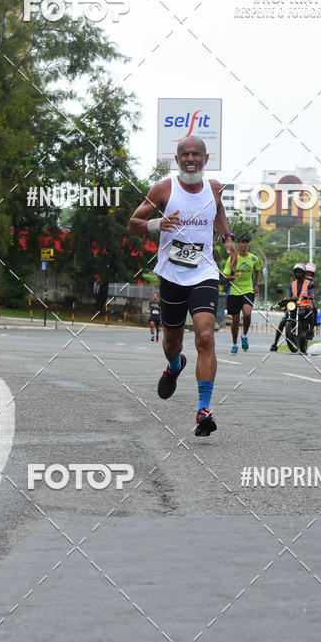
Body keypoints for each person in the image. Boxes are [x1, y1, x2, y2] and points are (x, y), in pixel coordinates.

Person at [128, 136, 236, 436]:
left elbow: (219, 213)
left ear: (206, 158)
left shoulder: (214, 189)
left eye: (196, 154)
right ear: (177, 160)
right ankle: (175, 366)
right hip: (172, 276)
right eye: (185, 154)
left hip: (204, 273)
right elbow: (133, 223)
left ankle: (203, 410)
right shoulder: (163, 189)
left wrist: (227, 238)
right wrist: (156, 225)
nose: (191, 158)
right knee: (172, 342)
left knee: (205, 337)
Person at [222, 234, 261, 353]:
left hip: (248, 290)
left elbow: (257, 271)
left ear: (248, 244)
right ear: (238, 244)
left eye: (246, 242)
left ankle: (244, 336)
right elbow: (225, 276)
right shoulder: (232, 258)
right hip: (234, 291)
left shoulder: (254, 258)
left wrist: (257, 284)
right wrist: (234, 276)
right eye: (242, 242)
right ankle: (234, 344)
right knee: (235, 319)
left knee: (247, 313)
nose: (244, 244)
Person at [269, 262, 315, 351]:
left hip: (305, 305)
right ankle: (275, 344)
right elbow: (289, 295)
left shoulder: (308, 283)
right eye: (296, 272)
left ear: (303, 273)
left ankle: (311, 330)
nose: (298, 273)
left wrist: (311, 296)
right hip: (294, 306)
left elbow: (312, 293)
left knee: (311, 311)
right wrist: (285, 300)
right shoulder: (292, 284)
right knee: (283, 321)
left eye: (300, 272)